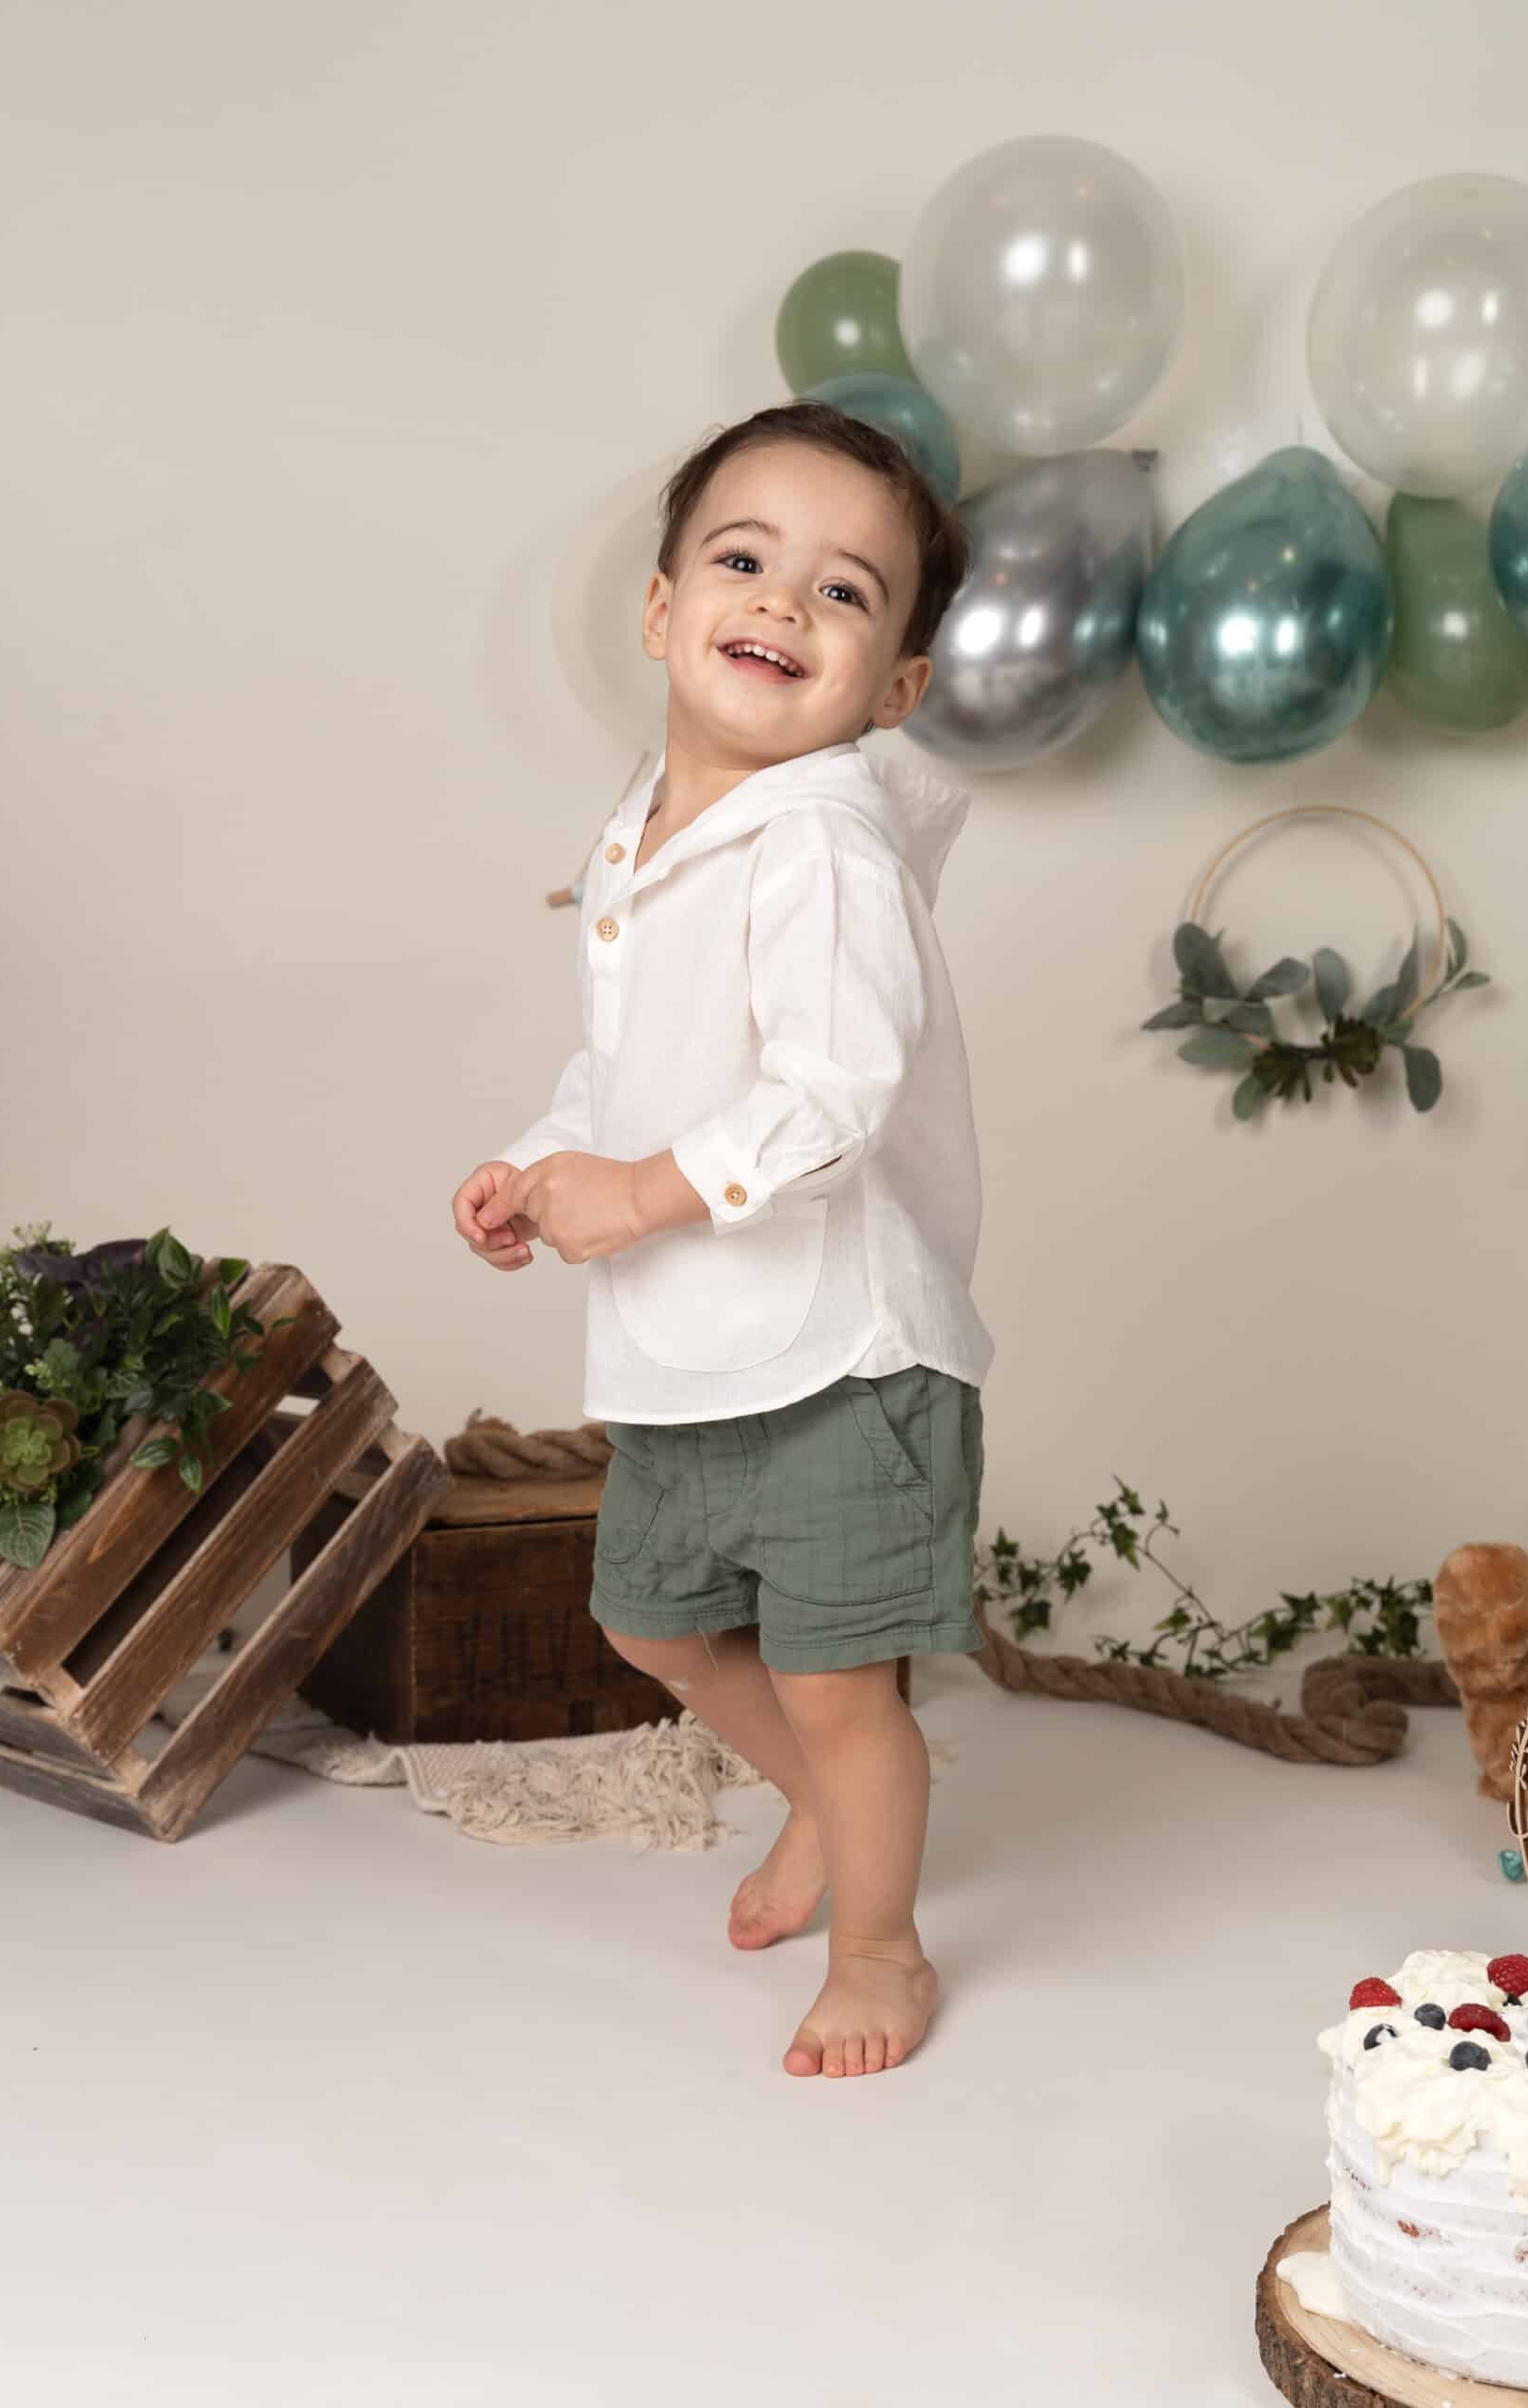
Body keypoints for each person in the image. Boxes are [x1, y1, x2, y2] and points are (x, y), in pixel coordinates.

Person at [451, 401, 994, 2079]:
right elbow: (628, 1067)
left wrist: (642, 1192)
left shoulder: (824, 839)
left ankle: (884, 1941)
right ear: (663, 606)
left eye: (846, 594)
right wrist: (547, 1159)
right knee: (657, 1625)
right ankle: (835, 1797)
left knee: (841, 1681)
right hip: (693, 1341)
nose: (781, 604)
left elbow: (835, 1090)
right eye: (745, 561)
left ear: (893, 686)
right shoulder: (645, 828)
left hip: (839, 1351)